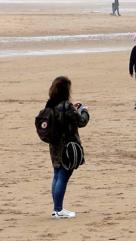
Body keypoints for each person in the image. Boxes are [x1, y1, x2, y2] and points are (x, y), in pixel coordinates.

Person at [44, 76, 90, 219]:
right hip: (68, 146)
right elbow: (81, 122)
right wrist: (84, 111)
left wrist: (74, 108)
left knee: (57, 174)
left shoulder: (50, 106)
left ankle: (56, 208)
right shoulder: (66, 107)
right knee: (63, 176)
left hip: (54, 146)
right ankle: (58, 209)